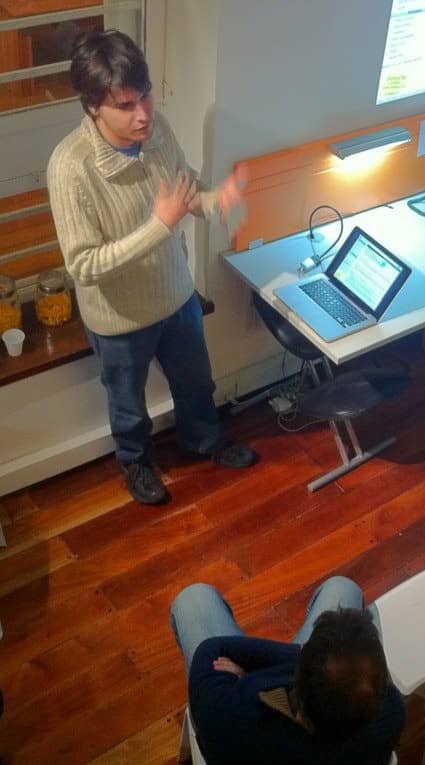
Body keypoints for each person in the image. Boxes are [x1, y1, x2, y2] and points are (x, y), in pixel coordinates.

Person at [47, 30, 255, 506]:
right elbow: (83, 265)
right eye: (125, 104)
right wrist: (159, 227)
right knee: (127, 405)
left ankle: (203, 442)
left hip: (176, 296)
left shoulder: (158, 133)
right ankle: (136, 463)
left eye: (146, 96)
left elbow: (187, 191)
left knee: (196, 383)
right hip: (118, 319)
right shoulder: (70, 167)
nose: (143, 114)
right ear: (93, 106)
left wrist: (214, 201)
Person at [170, 577, 405, 764]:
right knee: (343, 587)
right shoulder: (389, 718)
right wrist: (306, 657)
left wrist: (248, 676)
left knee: (194, 599)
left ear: (297, 674)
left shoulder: (226, 715)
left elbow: (212, 649)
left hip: (247, 708)